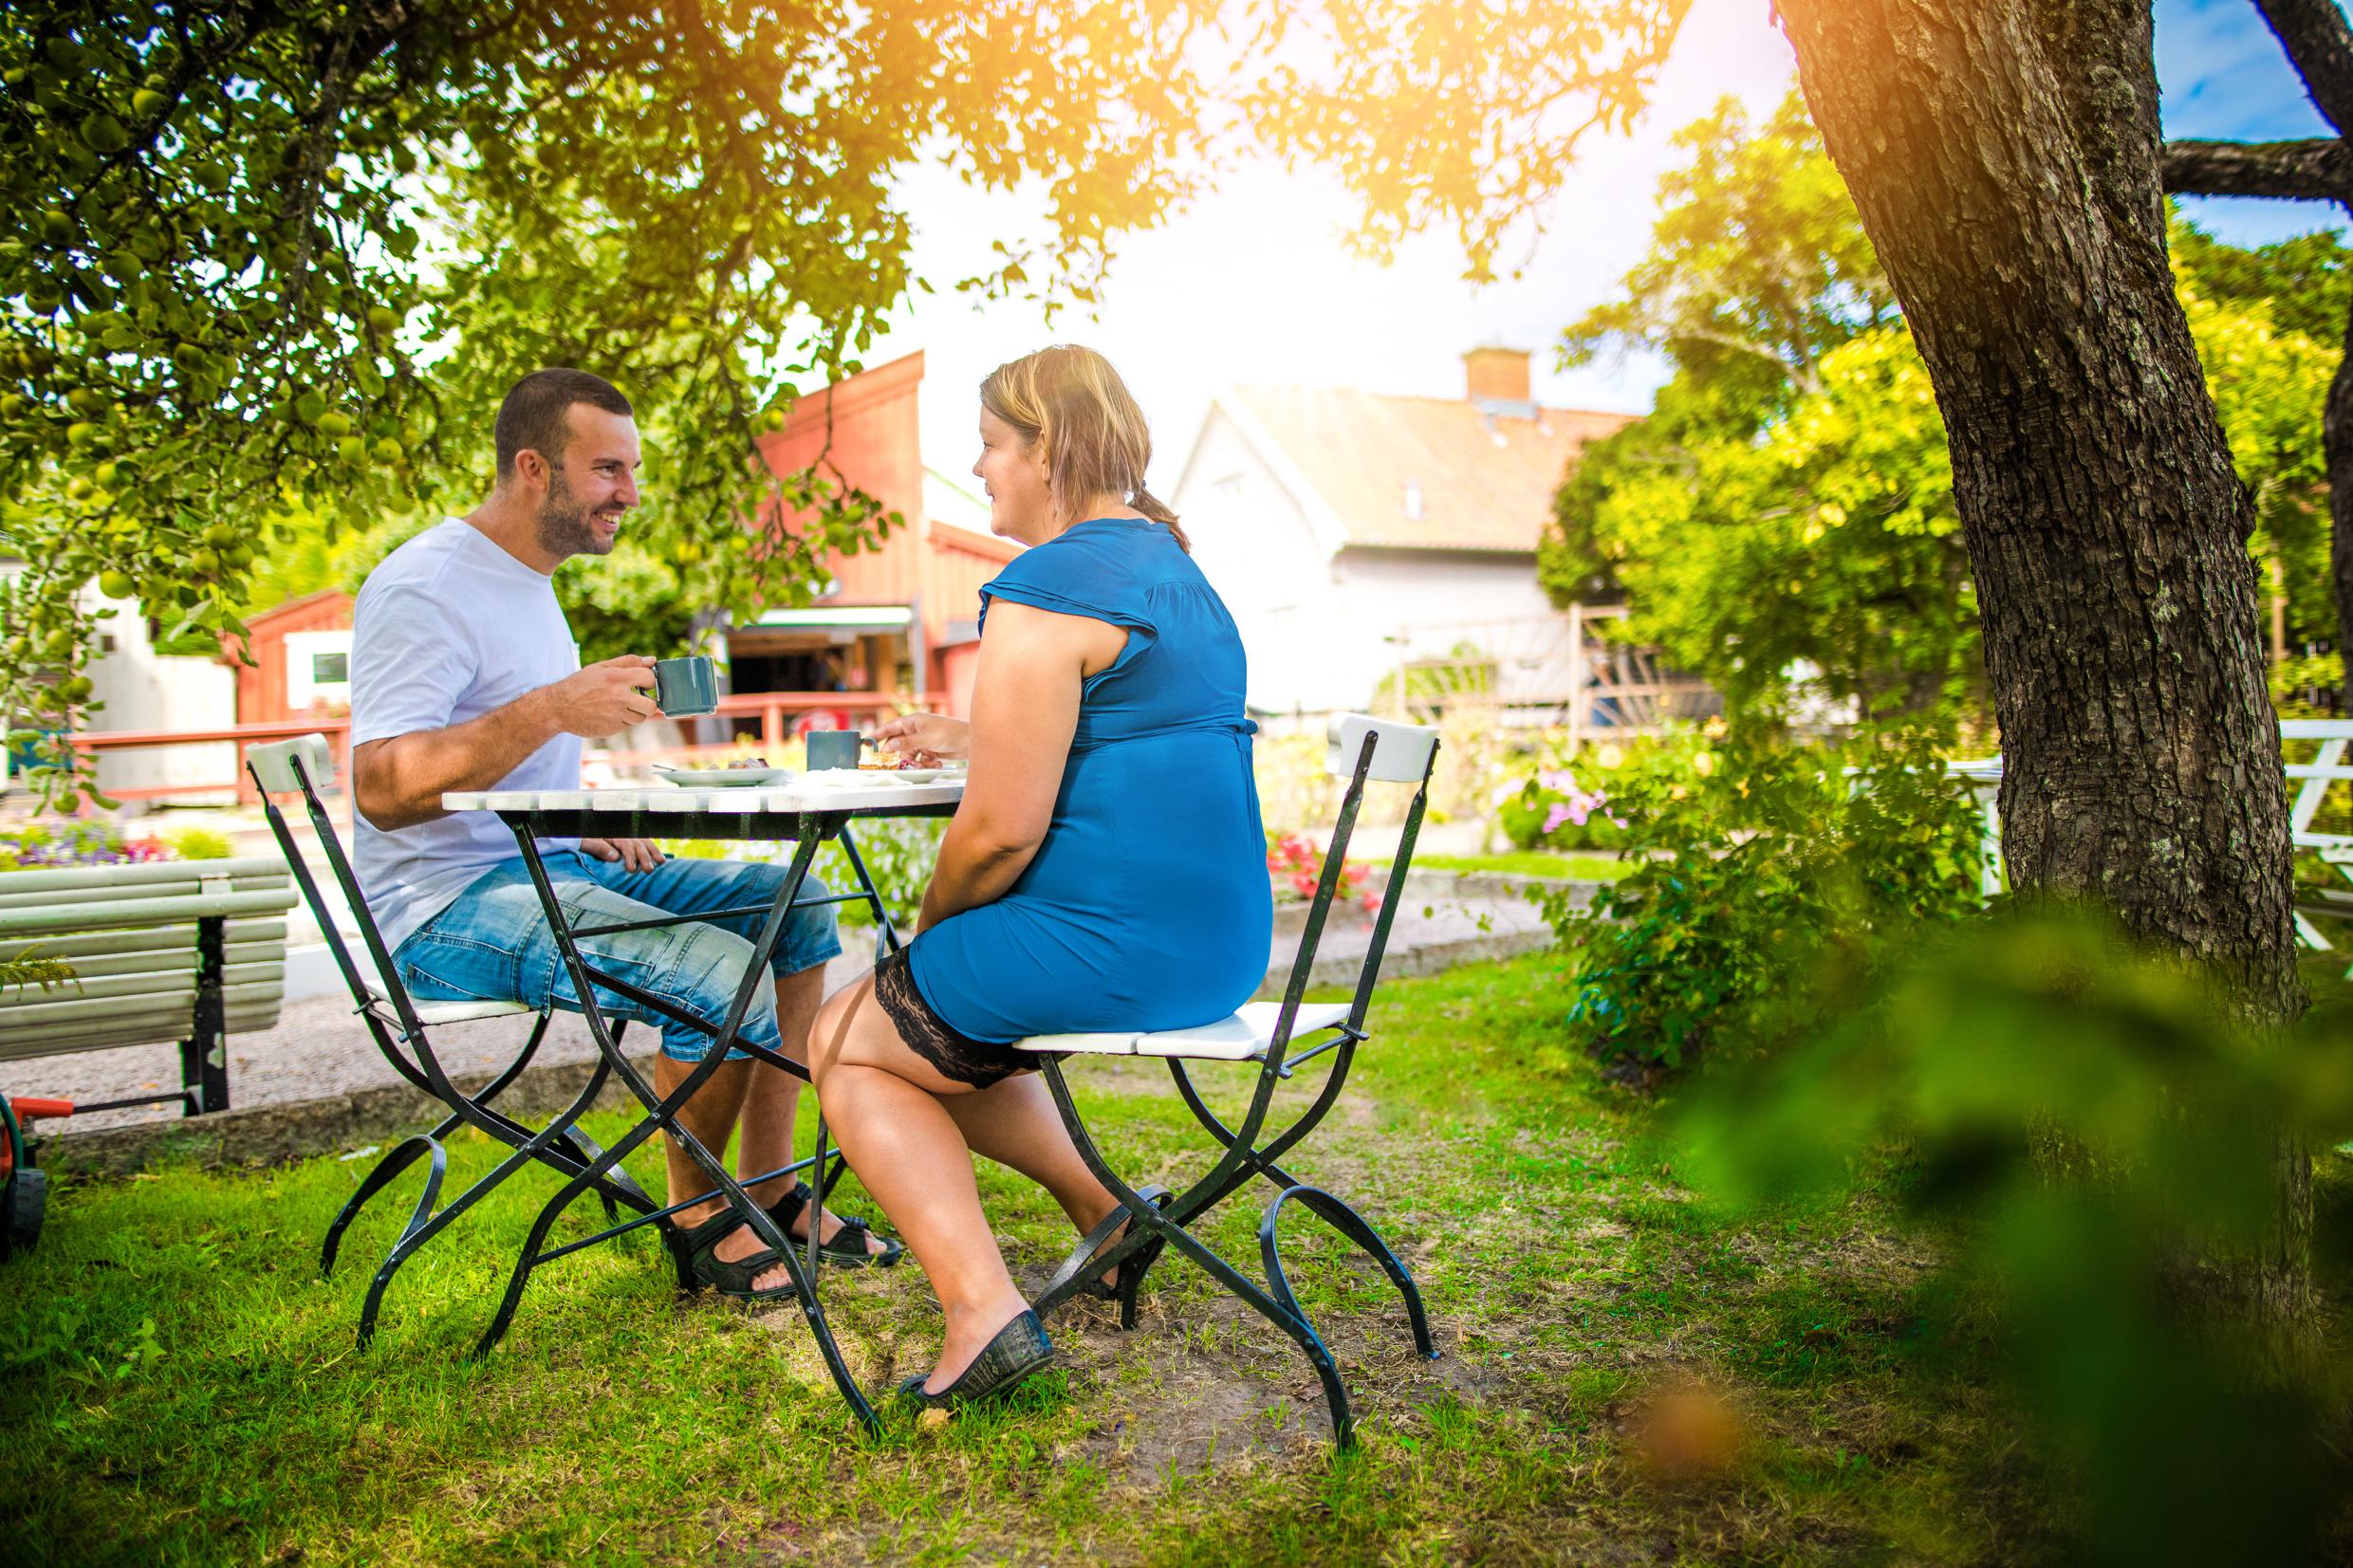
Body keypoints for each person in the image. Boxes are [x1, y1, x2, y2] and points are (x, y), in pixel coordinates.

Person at [348, 367, 899, 1299]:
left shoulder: (530, 581)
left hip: (546, 859)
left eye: (632, 471)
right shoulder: (425, 586)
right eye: (608, 470)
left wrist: (579, 813)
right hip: (439, 912)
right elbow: (381, 788)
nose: (629, 496)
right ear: (533, 468)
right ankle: (701, 1222)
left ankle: (770, 1188)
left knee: (797, 901)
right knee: (712, 972)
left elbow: (497, 749)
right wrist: (555, 708)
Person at [808, 345, 1272, 1409]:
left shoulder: (1044, 588)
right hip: (1219, 945)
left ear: (1048, 448)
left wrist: (924, 941)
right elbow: (1127, 734)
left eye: (987, 445)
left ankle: (982, 1314)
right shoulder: (1176, 571)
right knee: (940, 1024)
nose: (977, 470)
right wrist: (973, 733)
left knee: (846, 1038)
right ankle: (1104, 1217)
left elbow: (1000, 838)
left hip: (1111, 944)